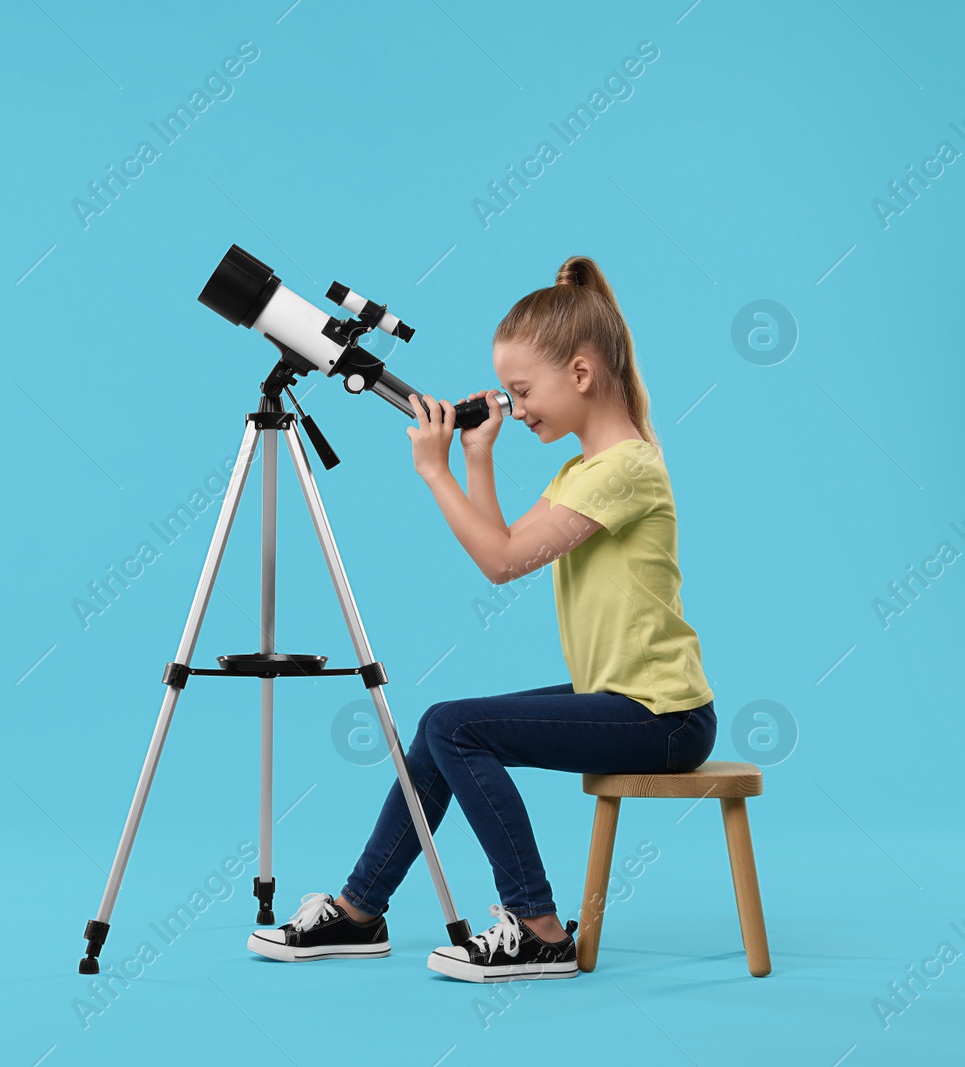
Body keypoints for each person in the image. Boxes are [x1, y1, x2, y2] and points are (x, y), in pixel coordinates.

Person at [248, 255, 717, 983]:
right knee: (443, 727)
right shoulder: (584, 471)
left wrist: (433, 470)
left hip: (664, 716)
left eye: (524, 390)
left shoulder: (624, 469)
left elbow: (500, 562)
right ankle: (360, 908)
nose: (518, 407)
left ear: (583, 374)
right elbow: (498, 551)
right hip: (624, 699)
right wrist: (476, 456)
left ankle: (538, 928)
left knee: (451, 724)